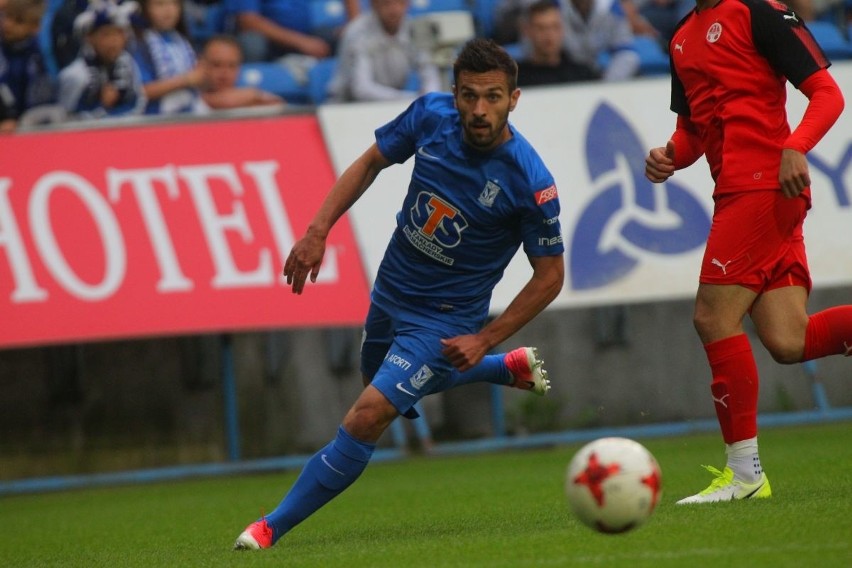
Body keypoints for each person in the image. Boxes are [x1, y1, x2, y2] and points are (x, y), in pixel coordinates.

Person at [233, 38, 565, 550]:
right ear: (453, 94)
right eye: (470, 96)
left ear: (514, 99)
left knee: (367, 414)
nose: (480, 110)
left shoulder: (529, 181)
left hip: (446, 318)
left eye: (493, 97)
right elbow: (368, 163)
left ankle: (270, 526)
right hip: (390, 291)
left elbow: (549, 277)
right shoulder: (430, 117)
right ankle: (503, 368)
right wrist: (318, 230)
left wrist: (484, 336)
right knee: (378, 378)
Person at [644, 0, 848, 503]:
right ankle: (746, 476)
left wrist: (795, 145)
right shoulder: (681, 37)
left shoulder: (759, 12)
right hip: (736, 190)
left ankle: (745, 474)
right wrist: (670, 154)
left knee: (713, 318)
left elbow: (827, 93)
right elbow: (694, 130)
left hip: (762, 187)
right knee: (788, 339)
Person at [326, 0, 442, 103]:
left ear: (408, 4)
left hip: (392, 105)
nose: (394, 9)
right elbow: (361, 89)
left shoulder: (413, 29)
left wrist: (428, 99)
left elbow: (429, 74)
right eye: (387, 3)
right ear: (374, 4)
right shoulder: (356, 31)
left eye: (400, 2)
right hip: (346, 106)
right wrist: (413, 99)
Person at [58, 0, 146, 119]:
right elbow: (66, 118)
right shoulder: (75, 75)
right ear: (89, 38)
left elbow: (139, 102)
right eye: (106, 34)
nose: (113, 41)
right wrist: (102, 106)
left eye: (118, 34)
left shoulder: (128, 63)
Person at [131, 0, 206, 115]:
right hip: (155, 119)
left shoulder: (183, 41)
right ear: (145, 9)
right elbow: (141, 91)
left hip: (188, 115)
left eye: (174, 3)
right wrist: (185, 80)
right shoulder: (141, 45)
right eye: (160, 4)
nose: (168, 10)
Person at [225, 0, 360, 62]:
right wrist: (301, 42)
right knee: (253, 44)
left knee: (349, 37)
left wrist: (352, 24)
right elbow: (248, 21)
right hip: (268, 40)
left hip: (307, 33)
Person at [0, 0, 55, 131]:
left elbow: (41, 101)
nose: (8, 24)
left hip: (23, 127)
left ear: (35, 27)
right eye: (6, 16)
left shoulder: (37, 57)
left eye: (18, 21)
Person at [516, 0, 600, 87]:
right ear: (527, 31)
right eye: (541, 28)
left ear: (562, 29)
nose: (549, 34)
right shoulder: (515, 78)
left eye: (554, 27)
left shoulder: (584, 75)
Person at [198, 34, 284, 109]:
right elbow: (223, 101)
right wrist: (253, 95)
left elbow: (277, 103)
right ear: (201, 65)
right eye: (217, 65)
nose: (224, 72)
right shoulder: (191, 98)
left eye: (231, 66)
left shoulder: (253, 99)